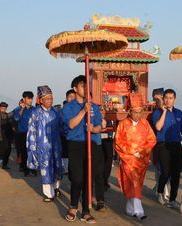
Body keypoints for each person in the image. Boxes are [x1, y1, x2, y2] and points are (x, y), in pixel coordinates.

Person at [62, 75, 103, 223]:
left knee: (88, 179)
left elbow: (100, 125)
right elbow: (71, 124)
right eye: (82, 86)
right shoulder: (68, 107)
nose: (86, 88)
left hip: (91, 144)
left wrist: (94, 129)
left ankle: (85, 211)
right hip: (75, 145)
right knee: (77, 178)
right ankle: (73, 206)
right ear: (75, 88)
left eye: (87, 86)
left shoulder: (94, 106)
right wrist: (83, 111)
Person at [115, 93, 157, 220]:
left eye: (140, 112)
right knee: (133, 183)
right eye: (135, 112)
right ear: (129, 111)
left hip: (141, 160)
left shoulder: (145, 124)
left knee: (135, 184)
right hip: (128, 159)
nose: (138, 115)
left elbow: (152, 140)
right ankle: (139, 211)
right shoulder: (122, 124)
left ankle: (129, 209)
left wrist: (143, 152)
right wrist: (131, 151)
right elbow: (118, 141)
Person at [27, 85, 63, 202]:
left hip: (55, 145)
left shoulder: (56, 112)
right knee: (45, 168)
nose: (50, 101)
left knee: (57, 166)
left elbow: (62, 128)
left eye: (51, 99)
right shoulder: (35, 113)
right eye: (47, 99)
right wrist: (32, 147)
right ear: (41, 100)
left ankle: (56, 188)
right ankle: (48, 194)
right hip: (42, 146)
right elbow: (31, 132)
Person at [152, 89, 182, 208]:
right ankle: (160, 191)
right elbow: (158, 128)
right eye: (166, 98)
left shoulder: (179, 113)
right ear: (163, 99)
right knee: (165, 172)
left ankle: (172, 199)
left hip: (176, 146)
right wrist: (164, 112)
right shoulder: (157, 113)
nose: (168, 100)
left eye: (171, 98)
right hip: (163, 145)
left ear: (174, 99)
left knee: (176, 174)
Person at [150, 88, 170, 200]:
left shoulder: (171, 111)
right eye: (154, 99)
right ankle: (162, 191)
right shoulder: (155, 113)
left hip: (170, 143)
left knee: (167, 170)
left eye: (159, 98)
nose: (156, 101)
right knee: (159, 168)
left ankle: (161, 189)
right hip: (157, 143)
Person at [14, 91, 36, 176]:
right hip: (22, 133)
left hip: (33, 133)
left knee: (33, 151)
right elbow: (16, 118)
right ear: (24, 99)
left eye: (31, 98)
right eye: (28, 98)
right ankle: (25, 169)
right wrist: (22, 108)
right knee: (24, 152)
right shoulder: (18, 109)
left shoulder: (34, 109)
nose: (30, 100)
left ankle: (33, 169)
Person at [61, 89, 76, 174]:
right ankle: (66, 169)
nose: (72, 99)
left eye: (74, 97)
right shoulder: (64, 110)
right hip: (66, 136)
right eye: (70, 97)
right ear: (66, 99)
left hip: (77, 138)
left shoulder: (81, 109)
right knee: (65, 153)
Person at [0, 102, 13, 169]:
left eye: (5, 108)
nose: (3, 109)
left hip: (7, 136)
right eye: (2, 108)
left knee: (7, 150)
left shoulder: (8, 116)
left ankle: (5, 164)